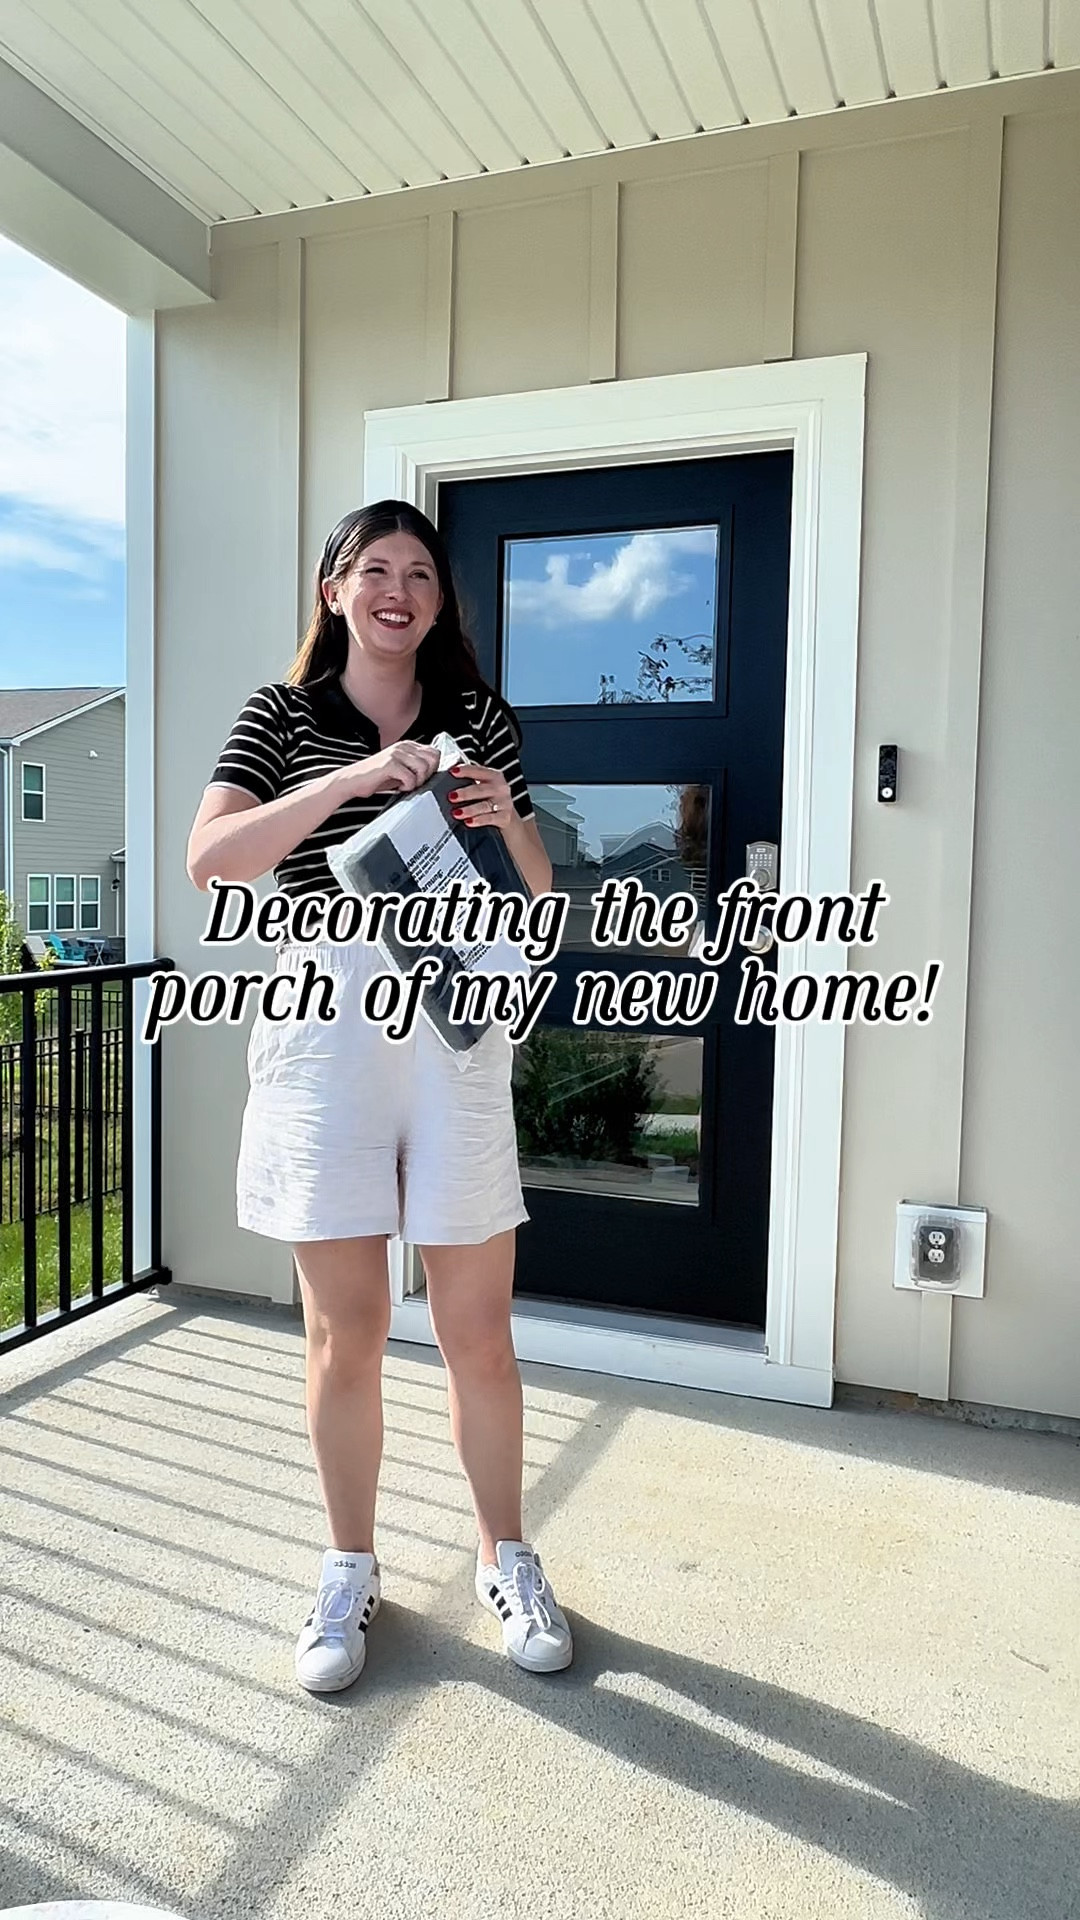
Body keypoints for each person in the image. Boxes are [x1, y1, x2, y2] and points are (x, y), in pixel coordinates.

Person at [186, 500, 573, 1691]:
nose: (398, 588)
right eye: (375, 569)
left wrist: (511, 822)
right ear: (334, 590)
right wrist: (354, 777)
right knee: (345, 1335)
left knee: (478, 1333)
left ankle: (505, 1554)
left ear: (441, 601)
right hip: (326, 1025)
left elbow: (538, 893)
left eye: (421, 572)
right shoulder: (283, 714)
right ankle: (348, 1568)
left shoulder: (479, 719)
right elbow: (214, 860)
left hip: (452, 1017)